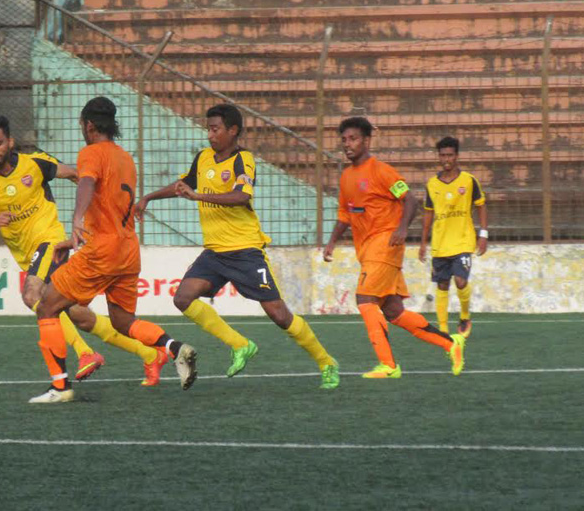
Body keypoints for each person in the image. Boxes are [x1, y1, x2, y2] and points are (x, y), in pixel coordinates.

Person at [134, 103, 339, 390]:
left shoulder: (243, 160)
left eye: (215, 129)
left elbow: (241, 196)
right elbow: (183, 185)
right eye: (208, 128)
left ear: (233, 131)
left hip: (245, 251)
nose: (210, 135)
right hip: (215, 252)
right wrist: (149, 198)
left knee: (279, 315)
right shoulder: (203, 158)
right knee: (183, 297)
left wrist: (199, 197)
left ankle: (326, 361)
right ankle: (240, 344)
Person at [0, 115, 169, 398]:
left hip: (49, 241)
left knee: (32, 295)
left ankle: (82, 358)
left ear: (10, 141)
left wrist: (104, 208)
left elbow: (76, 175)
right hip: (26, 254)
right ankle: (149, 354)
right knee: (81, 317)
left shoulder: (34, 162)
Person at [34, 97, 197, 403]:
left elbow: (86, 184)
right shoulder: (125, 158)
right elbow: (111, 208)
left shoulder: (91, 153)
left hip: (102, 252)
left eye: (82, 125)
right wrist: (74, 240)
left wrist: (77, 217)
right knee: (123, 321)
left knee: (46, 306)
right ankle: (176, 349)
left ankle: (59, 388)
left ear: (90, 125)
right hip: (127, 251)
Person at [323, 116, 466, 379]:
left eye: (353, 138)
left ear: (366, 140)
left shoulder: (381, 170)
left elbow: (410, 200)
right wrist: (332, 241)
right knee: (393, 311)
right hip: (367, 250)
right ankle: (450, 344)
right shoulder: (346, 177)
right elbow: (345, 214)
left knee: (364, 299)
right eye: (343, 139)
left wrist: (401, 228)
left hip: (386, 243)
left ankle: (388, 365)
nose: (347, 144)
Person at [419, 136, 487, 338]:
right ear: (438, 157)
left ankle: (465, 316)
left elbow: (481, 206)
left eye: (450, 155)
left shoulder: (469, 180)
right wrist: (423, 242)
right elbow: (428, 213)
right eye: (442, 155)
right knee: (442, 285)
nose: (446, 159)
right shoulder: (432, 184)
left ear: (456, 156)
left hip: (463, 241)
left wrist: (483, 234)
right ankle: (442, 330)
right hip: (440, 243)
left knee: (460, 281)